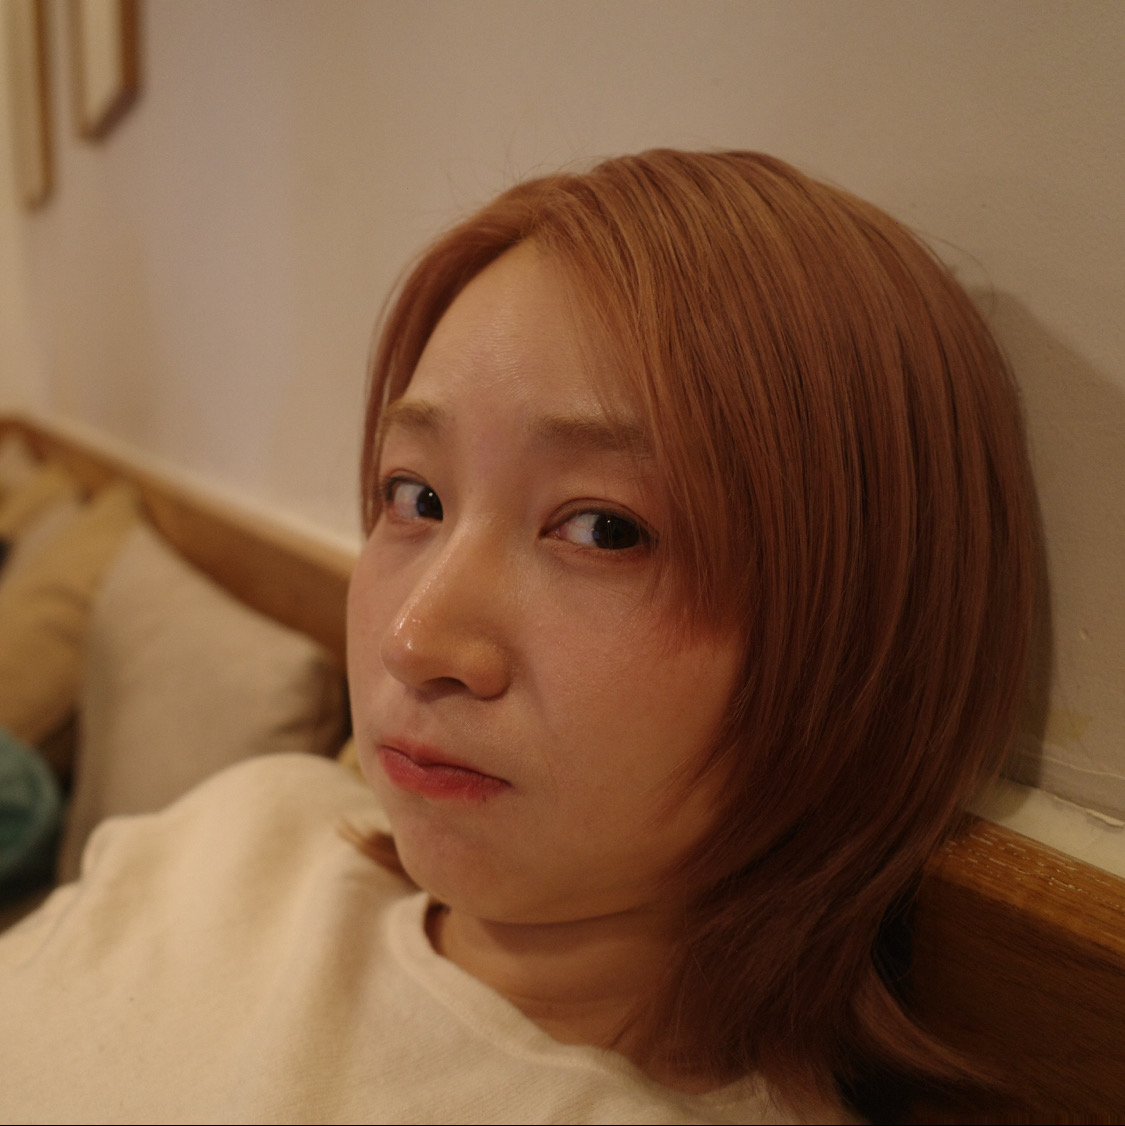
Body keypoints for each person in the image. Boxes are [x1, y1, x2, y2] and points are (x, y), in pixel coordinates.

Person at [0, 150, 1038, 1123]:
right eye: (415, 497)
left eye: (604, 529)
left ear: (855, 646)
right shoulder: (254, 821)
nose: (413, 639)